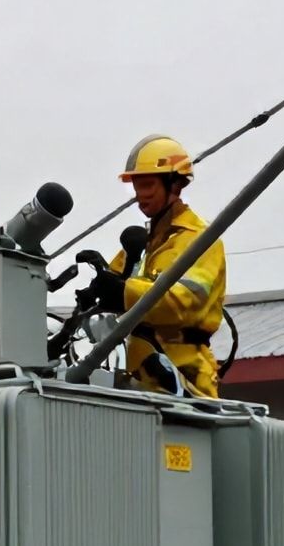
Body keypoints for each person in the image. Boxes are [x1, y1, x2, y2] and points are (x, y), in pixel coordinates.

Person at [88, 134, 228, 399]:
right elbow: (119, 282)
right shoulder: (144, 243)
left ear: (174, 183)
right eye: (137, 187)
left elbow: (185, 303)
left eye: (148, 185)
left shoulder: (201, 241)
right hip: (139, 382)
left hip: (186, 385)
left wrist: (122, 292)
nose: (141, 196)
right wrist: (96, 288)